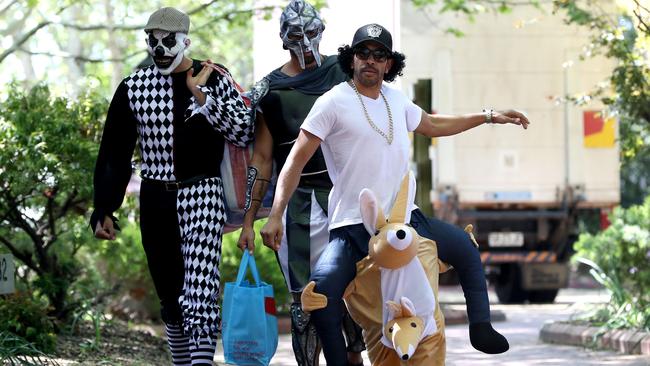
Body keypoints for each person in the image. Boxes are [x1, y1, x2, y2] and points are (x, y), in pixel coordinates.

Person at [261, 23, 529, 365]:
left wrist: (488, 116)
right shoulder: (332, 103)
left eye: (379, 55)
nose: (370, 61)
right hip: (353, 227)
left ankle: (481, 328)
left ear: (389, 63)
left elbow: (433, 125)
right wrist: (275, 214)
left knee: (465, 249)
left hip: (407, 219)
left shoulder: (396, 99)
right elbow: (294, 162)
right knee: (321, 294)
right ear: (351, 58)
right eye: (363, 53)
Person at [90, 7, 253, 365]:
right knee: (169, 292)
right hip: (155, 197)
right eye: (153, 41)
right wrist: (104, 207)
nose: (159, 49)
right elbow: (115, 151)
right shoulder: (134, 87)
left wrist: (201, 95)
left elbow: (244, 130)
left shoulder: (214, 78)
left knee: (200, 289)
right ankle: (183, 362)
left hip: (203, 193)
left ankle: (200, 363)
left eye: (168, 41)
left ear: (185, 40)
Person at [236, 1, 365, 365]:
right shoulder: (272, 91)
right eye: (296, 34)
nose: (306, 42)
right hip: (296, 204)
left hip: (347, 197)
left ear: (322, 33)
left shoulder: (344, 74)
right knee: (303, 298)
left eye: (312, 32)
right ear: (283, 39)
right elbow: (261, 159)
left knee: (353, 291)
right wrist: (250, 220)